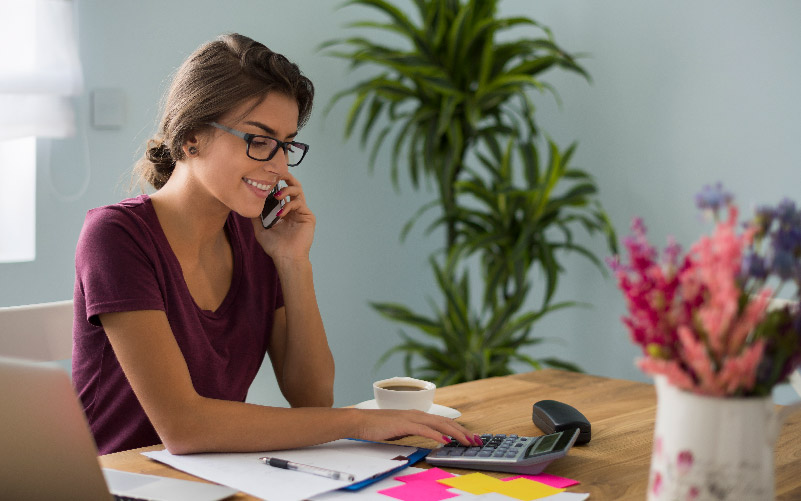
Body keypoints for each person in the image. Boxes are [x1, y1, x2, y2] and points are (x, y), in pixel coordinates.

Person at [72, 33, 478, 455]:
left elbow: (312, 397)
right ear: (191, 136)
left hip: (216, 476)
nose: (279, 166)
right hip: (117, 482)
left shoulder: (256, 235)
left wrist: (293, 262)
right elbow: (184, 427)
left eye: (285, 145)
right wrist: (360, 420)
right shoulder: (115, 236)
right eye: (259, 141)